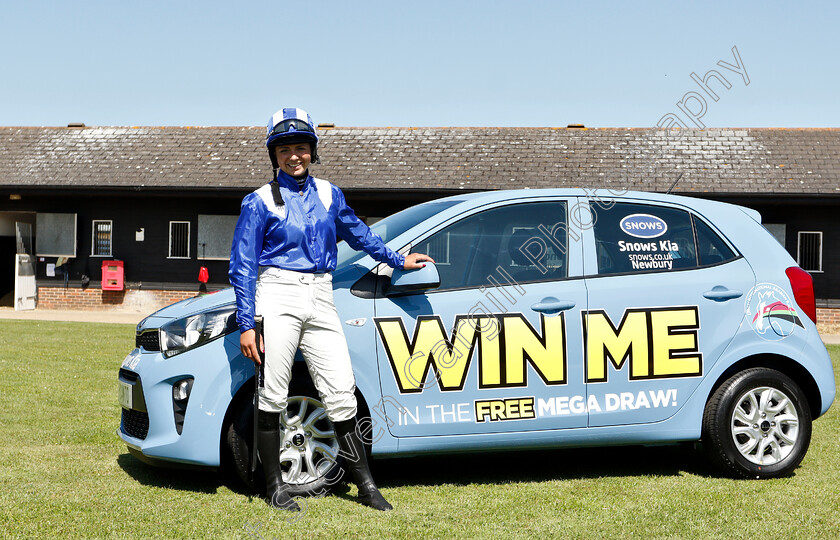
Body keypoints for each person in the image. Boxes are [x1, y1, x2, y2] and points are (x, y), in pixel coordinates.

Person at [229, 107, 432, 511]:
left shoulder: (329, 193)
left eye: (301, 148)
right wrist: (247, 323)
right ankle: (274, 487)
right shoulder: (257, 202)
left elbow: (359, 233)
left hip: (321, 296)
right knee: (272, 393)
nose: (294, 156)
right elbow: (243, 265)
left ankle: (366, 486)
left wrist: (396, 259)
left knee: (341, 391)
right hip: (277, 295)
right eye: (284, 149)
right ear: (274, 154)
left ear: (312, 150)